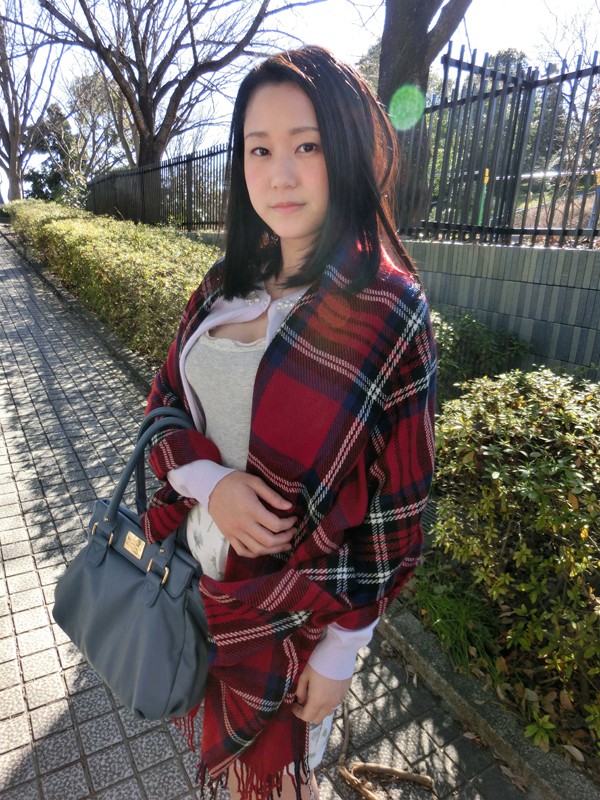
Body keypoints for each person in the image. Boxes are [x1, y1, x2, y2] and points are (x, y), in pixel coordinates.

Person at [141, 45, 436, 800]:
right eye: (259, 149)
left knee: (282, 783)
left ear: (345, 147)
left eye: (306, 146)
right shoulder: (222, 285)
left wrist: (342, 650)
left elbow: (398, 511)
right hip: (197, 588)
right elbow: (163, 404)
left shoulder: (385, 308)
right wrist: (210, 483)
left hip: (294, 622)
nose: (280, 174)